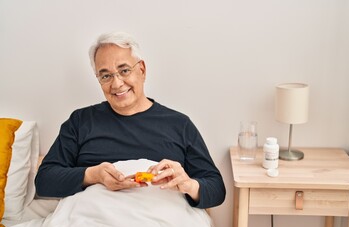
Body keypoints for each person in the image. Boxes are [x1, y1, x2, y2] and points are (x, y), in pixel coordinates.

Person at [35, 31, 226, 209]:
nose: (117, 83)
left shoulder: (179, 124)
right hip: (91, 221)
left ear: (141, 70)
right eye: (106, 75)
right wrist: (93, 175)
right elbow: (44, 181)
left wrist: (188, 184)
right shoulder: (81, 121)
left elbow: (216, 189)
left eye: (124, 70)